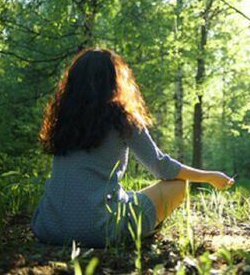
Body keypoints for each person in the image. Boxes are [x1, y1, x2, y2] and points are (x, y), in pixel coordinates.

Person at [31, 47, 234, 248]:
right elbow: (162, 168)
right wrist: (209, 176)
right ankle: (140, 231)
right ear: (115, 79)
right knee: (178, 185)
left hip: (47, 227)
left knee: (126, 195)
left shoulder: (63, 119)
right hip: (99, 232)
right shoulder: (122, 118)